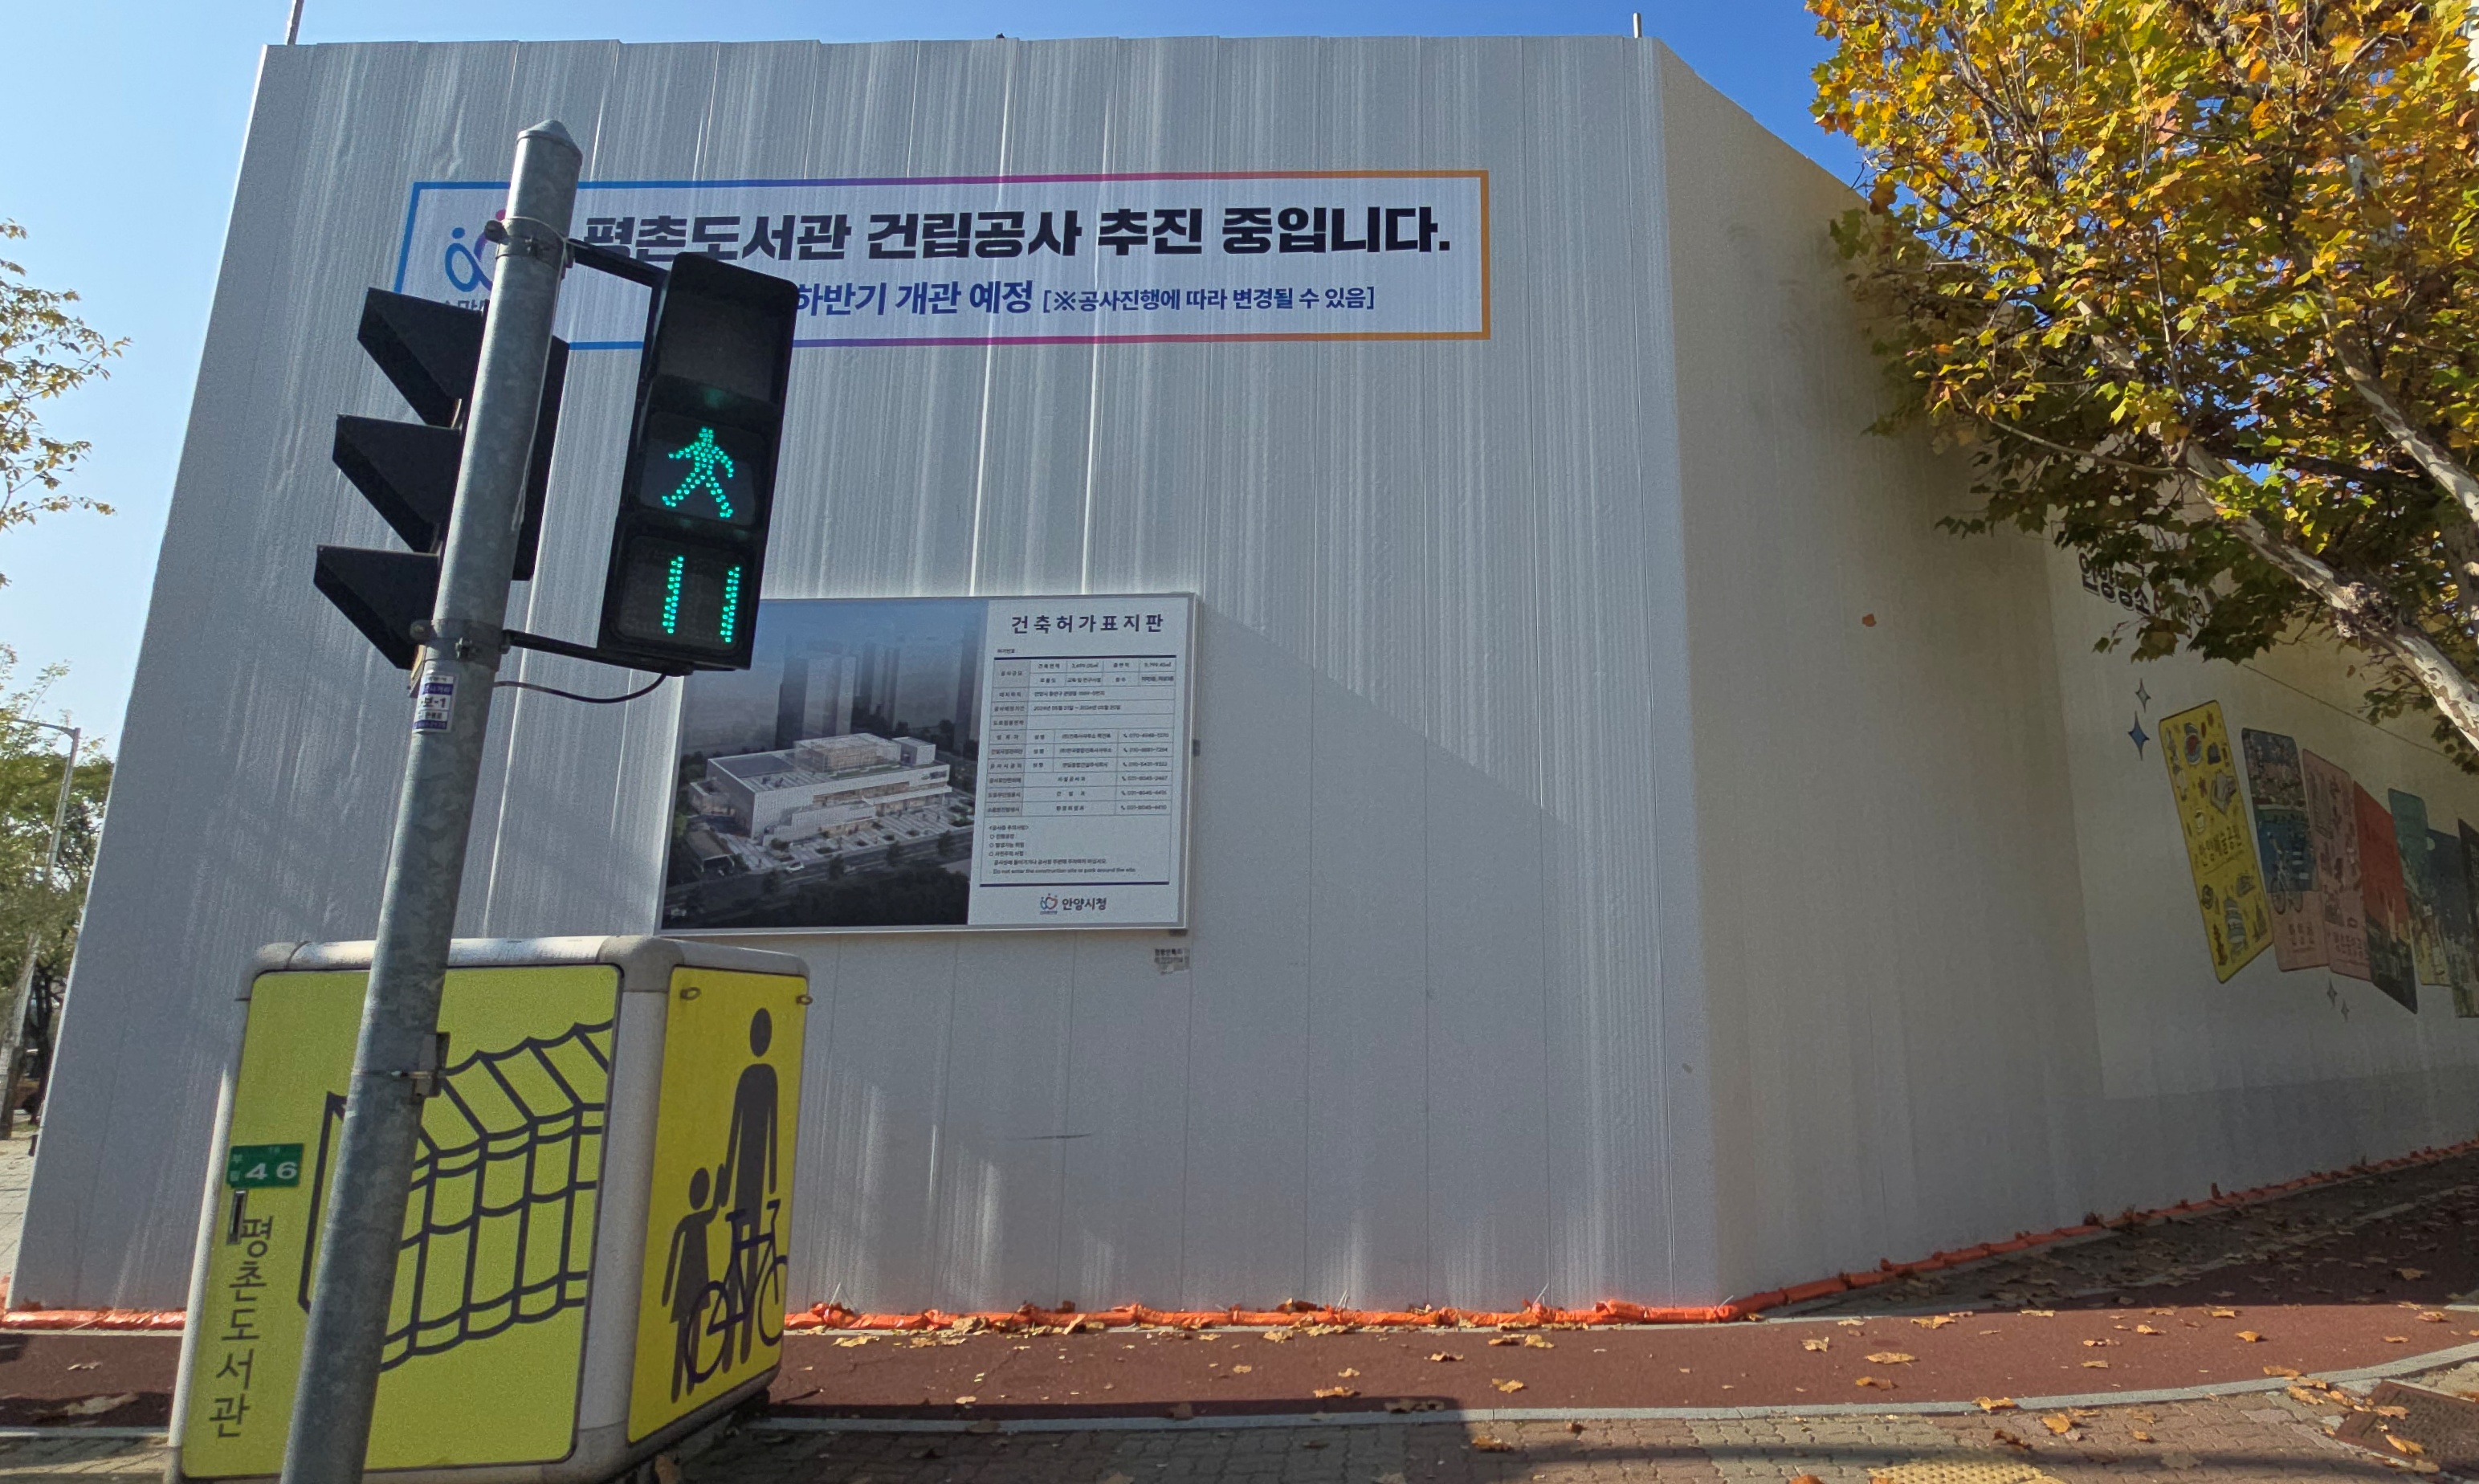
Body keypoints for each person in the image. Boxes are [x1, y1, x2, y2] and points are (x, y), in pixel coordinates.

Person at [716, 1009, 779, 1362]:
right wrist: (772, 1179)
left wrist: (730, 1174)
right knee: (747, 1246)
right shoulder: (764, 1075)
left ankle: (739, 1340)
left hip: (747, 1171)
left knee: (741, 1244)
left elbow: (739, 1131)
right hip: (750, 1172)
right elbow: (762, 1128)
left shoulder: (759, 1075)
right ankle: (739, 1338)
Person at [661, 1166, 721, 1399]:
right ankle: (682, 1379)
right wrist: (667, 1290)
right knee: (688, 1324)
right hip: (692, 1276)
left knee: (691, 1323)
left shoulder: (692, 1221)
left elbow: (713, 1212)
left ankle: (686, 1377)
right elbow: (674, 1255)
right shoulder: (691, 1222)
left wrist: (668, 1289)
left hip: (696, 1275)